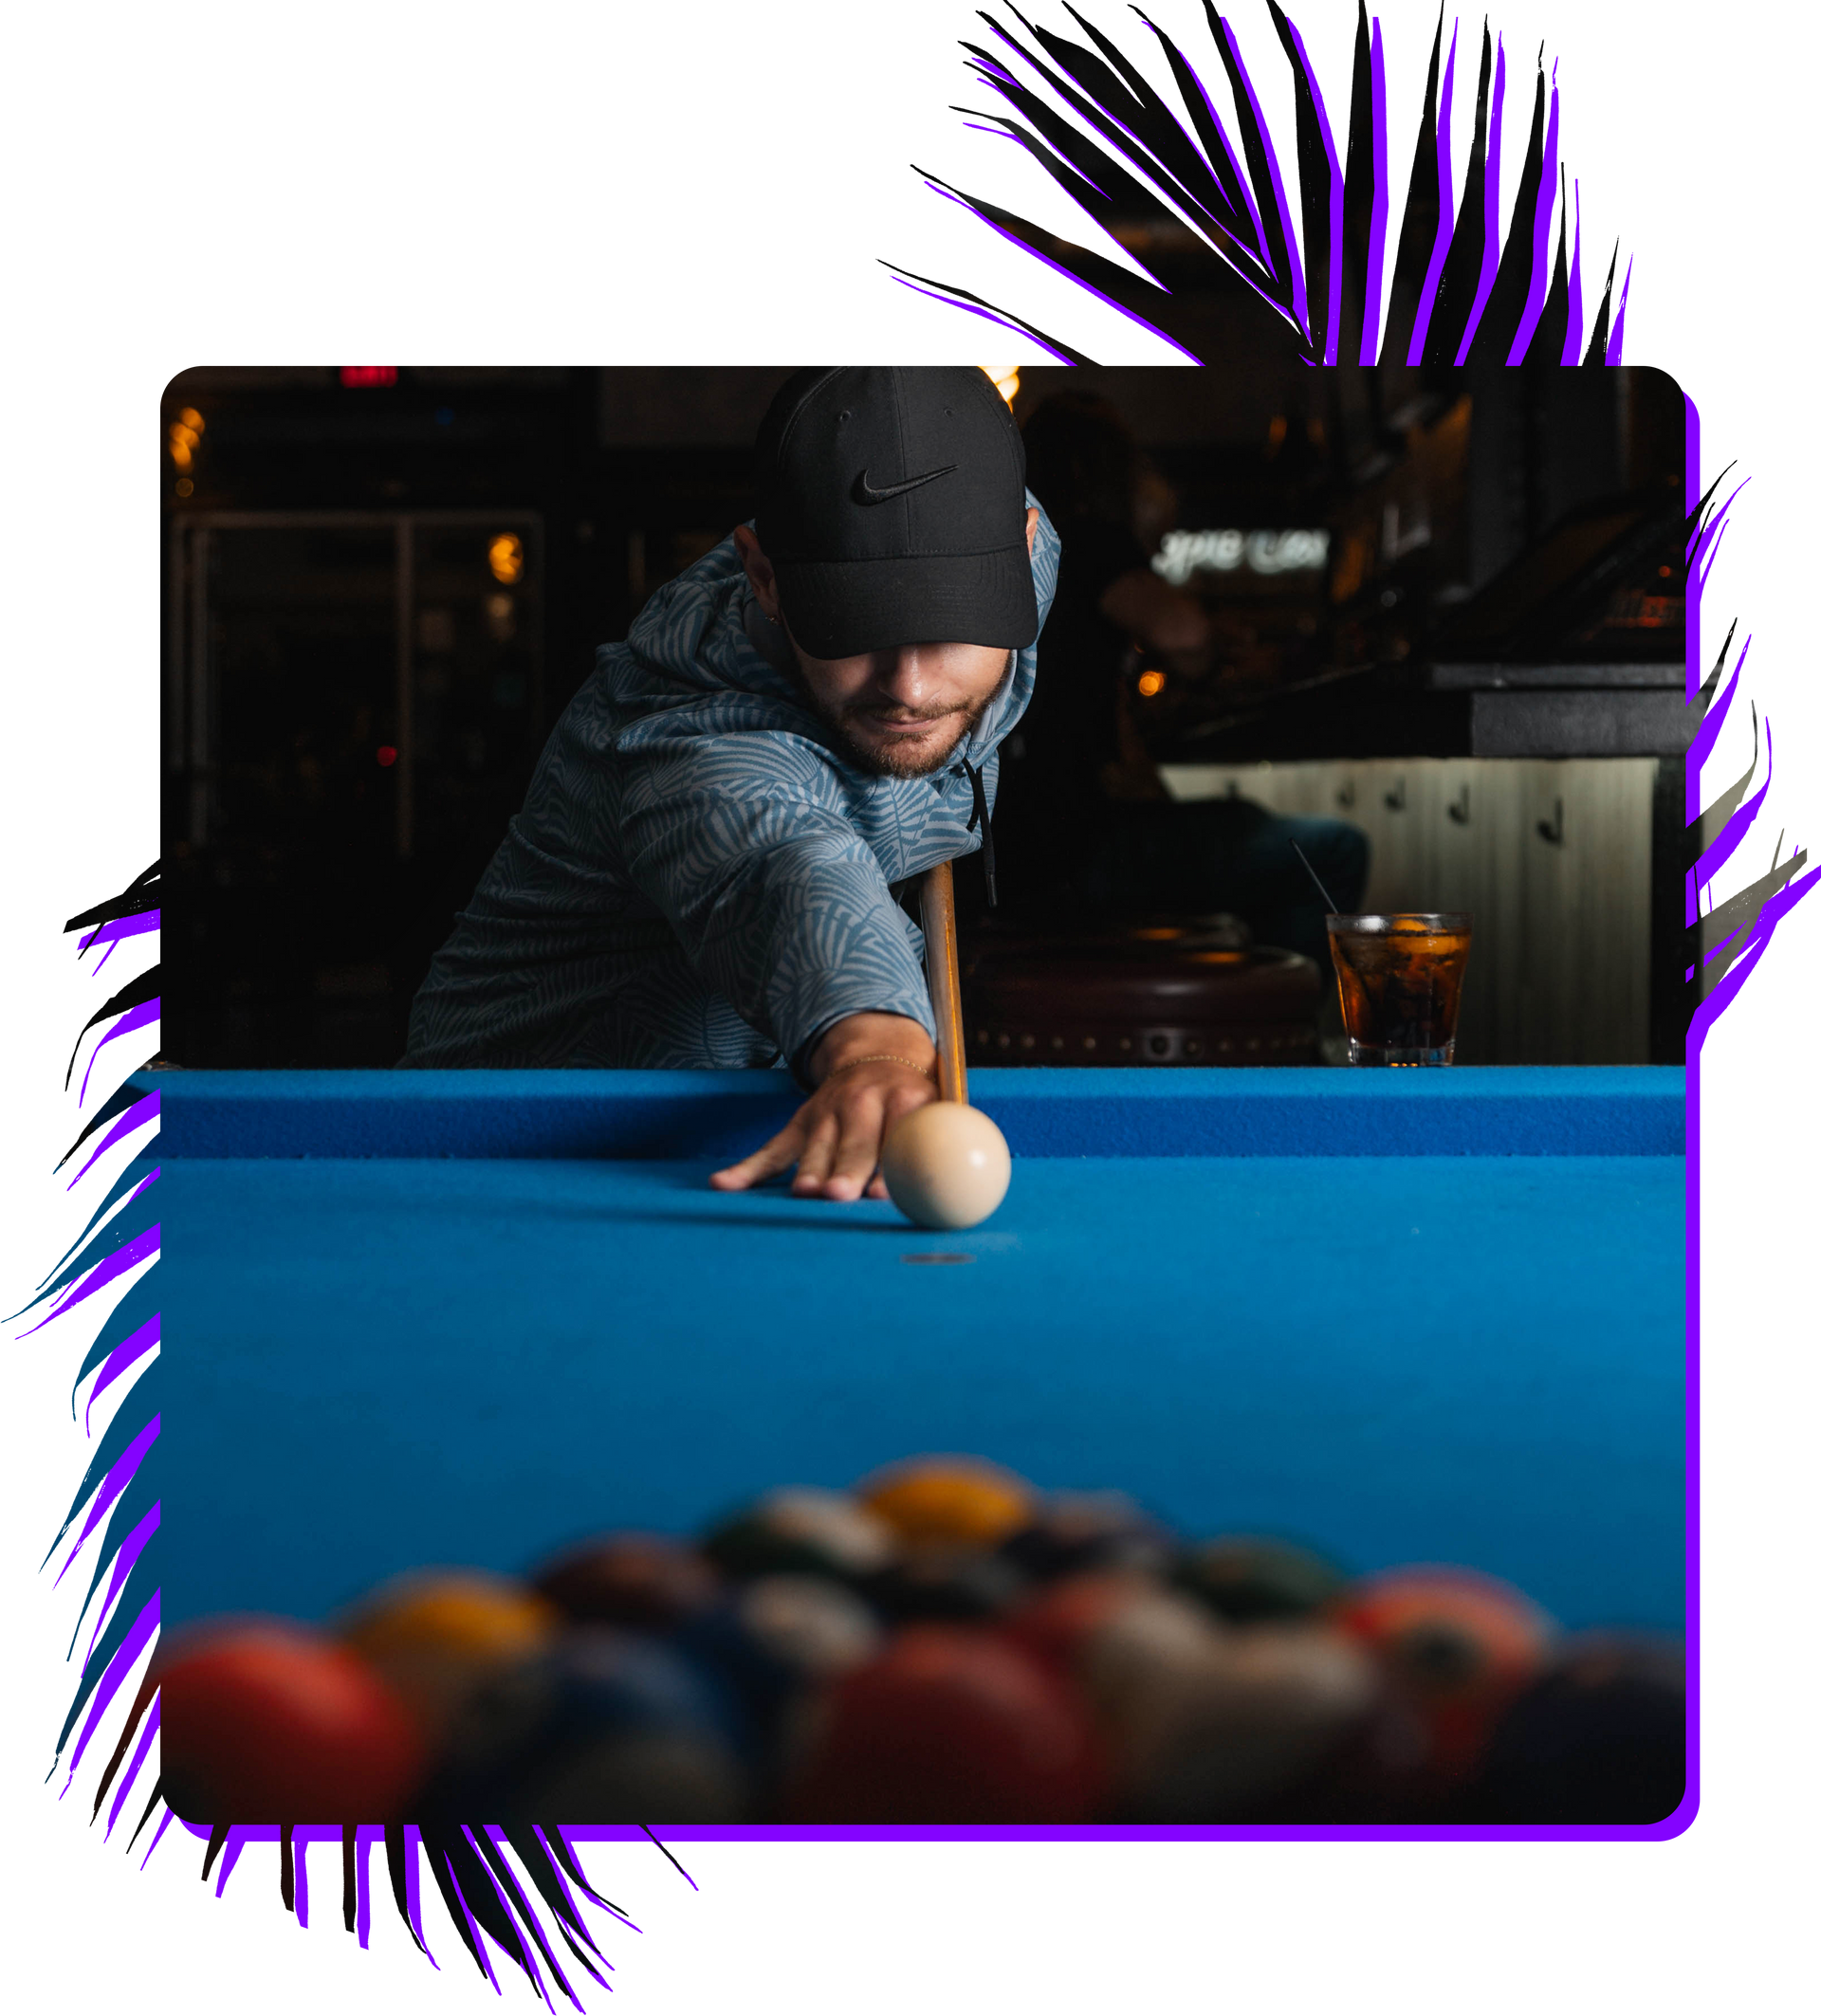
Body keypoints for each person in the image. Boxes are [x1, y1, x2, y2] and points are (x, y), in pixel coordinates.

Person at [400, 362, 1056, 1206]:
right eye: (856, 629)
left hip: (728, 1124)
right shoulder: (690, 744)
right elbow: (784, 864)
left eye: (957, 619)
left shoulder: (1020, 553)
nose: (913, 688)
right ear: (765, 575)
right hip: (505, 1159)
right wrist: (879, 1050)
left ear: (1023, 548)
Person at [982, 391, 1368, 975]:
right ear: (1106, 469)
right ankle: (1286, 1039)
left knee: (1231, 831)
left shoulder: (1015, 553)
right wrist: (1220, 645)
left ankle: (1248, 1025)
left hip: (1016, 855)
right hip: (1077, 852)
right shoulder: (1085, 538)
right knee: (1334, 849)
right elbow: (1185, 638)